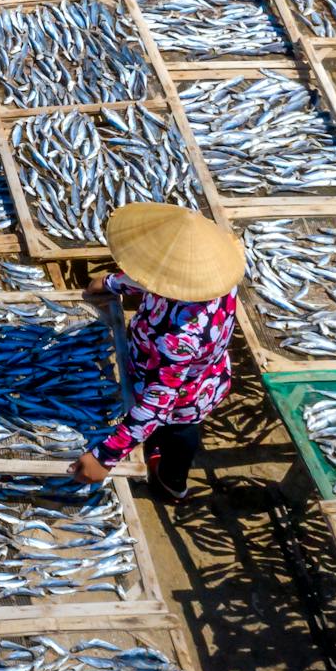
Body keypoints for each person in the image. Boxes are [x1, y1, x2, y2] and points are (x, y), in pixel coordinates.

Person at [69, 202, 244, 503]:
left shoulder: (178, 338)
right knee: (163, 424)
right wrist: (112, 282)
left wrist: (106, 456)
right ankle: (157, 444)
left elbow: (159, 402)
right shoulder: (221, 268)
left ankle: (172, 483)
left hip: (186, 394)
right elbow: (158, 274)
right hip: (202, 368)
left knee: (180, 431)